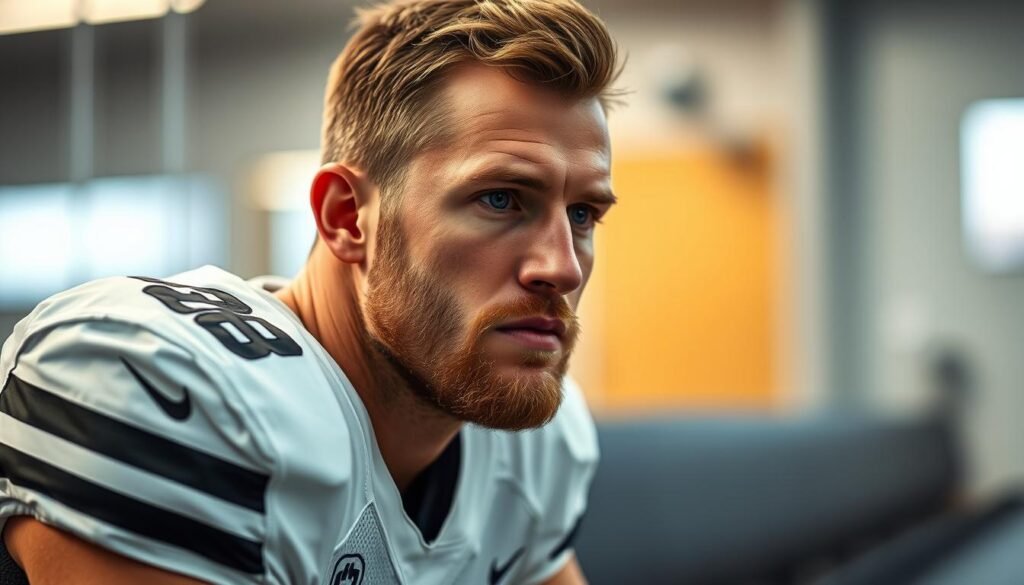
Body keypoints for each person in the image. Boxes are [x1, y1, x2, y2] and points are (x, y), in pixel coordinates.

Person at [0, 0, 620, 582]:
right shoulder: (155, 382)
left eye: (584, 214)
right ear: (348, 217)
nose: (563, 268)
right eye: (500, 198)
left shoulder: (536, 443)